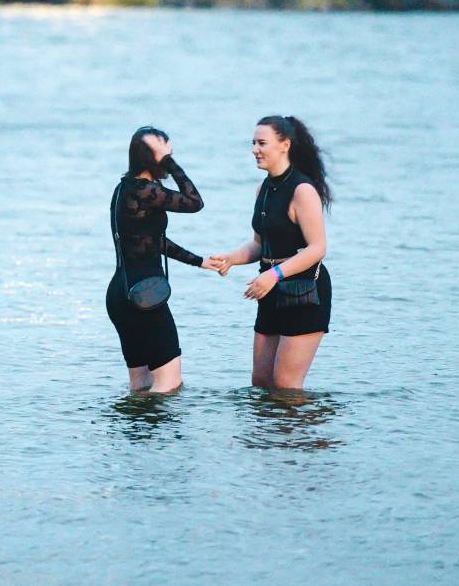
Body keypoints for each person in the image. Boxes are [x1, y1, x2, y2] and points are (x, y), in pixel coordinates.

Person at [210, 116, 332, 390]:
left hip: (304, 290)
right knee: (261, 381)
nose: (255, 149)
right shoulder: (263, 189)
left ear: (284, 145)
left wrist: (274, 274)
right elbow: (259, 244)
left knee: (286, 385)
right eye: (253, 143)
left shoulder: (302, 190)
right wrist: (231, 258)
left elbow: (318, 248)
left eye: (262, 143)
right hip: (269, 289)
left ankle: (309, 421)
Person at [107, 127, 220, 394]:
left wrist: (199, 261)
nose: (170, 156)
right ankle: (164, 426)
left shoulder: (124, 189)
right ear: (153, 157)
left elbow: (151, 241)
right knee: (169, 385)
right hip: (146, 295)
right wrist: (170, 162)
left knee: (141, 387)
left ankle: (135, 424)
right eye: (166, 152)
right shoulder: (145, 190)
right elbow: (195, 202)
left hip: (121, 293)